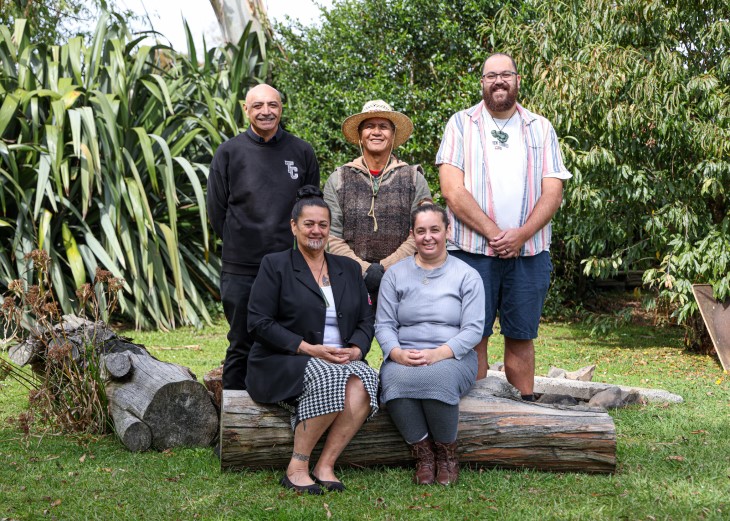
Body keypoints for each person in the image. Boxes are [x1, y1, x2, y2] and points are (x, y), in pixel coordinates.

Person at [436, 53, 572, 401]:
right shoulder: (460, 124)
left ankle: (524, 412)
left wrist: (521, 235)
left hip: (528, 254)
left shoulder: (540, 127)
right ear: (481, 82)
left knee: (521, 337)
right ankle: (476, 417)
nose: (499, 81)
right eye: (491, 75)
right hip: (472, 253)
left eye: (506, 74)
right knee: (472, 336)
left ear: (517, 79)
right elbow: (452, 189)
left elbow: (553, 191)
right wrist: (497, 234)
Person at [245, 186, 378, 495]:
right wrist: (307, 348)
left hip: (341, 359)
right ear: (294, 226)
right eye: (309, 224)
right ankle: (297, 467)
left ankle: (326, 465)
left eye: (322, 224)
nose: (316, 230)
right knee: (329, 376)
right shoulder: (275, 265)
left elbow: (365, 320)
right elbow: (258, 322)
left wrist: (357, 349)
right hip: (284, 359)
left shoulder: (347, 268)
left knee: (367, 380)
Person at [206, 84, 320, 391]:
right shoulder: (229, 152)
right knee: (241, 343)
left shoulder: (301, 152)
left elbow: (311, 211)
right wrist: (240, 242)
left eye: (272, 105)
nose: (265, 111)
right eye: (257, 106)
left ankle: (281, 413)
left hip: (289, 268)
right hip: (241, 268)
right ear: (246, 110)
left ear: (281, 108)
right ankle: (233, 426)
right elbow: (217, 211)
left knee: (289, 342)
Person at [375, 202, 485, 486]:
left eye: (435, 229)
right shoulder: (395, 275)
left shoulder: (467, 275)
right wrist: (396, 353)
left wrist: (439, 353)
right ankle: (424, 456)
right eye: (421, 231)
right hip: (404, 354)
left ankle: (447, 456)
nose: (428, 237)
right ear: (413, 234)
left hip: (454, 357)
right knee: (394, 382)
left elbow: (473, 330)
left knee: (438, 377)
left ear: (447, 232)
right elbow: (384, 325)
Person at [324, 100, 431, 308]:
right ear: (360, 136)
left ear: (392, 135)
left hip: (406, 280)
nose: (376, 132)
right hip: (350, 280)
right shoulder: (339, 178)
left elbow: (421, 232)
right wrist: (364, 270)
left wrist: (384, 268)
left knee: (403, 341)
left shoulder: (413, 178)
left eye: (383, 127)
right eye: (369, 126)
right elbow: (331, 236)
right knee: (352, 341)